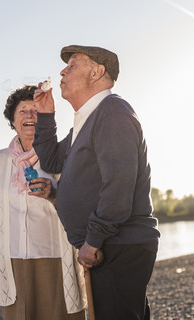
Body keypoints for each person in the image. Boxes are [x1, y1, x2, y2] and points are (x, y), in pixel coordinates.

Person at [33, 45, 160, 319]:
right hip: (110, 246)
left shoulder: (112, 112)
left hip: (117, 245)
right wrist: (45, 115)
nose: (62, 71)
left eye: (73, 65)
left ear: (97, 72)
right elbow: (52, 161)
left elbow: (118, 185)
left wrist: (94, 240)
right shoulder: (88, 119)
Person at [0, 85, 86, 320]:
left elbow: (80, 207)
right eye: (23, 111)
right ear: (12, 120)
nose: (30, 116)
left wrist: (54, 195)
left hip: (57, 260)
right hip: (13, 263)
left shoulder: (62, 156)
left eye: (35, 110)